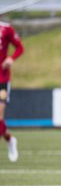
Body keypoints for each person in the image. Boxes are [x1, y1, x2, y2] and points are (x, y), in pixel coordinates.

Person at [0, 18, 24, 162]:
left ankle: (10, 142)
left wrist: (11, 58)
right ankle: (9, 139)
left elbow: (20, 47)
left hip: (2, 80)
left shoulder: (6, 29)